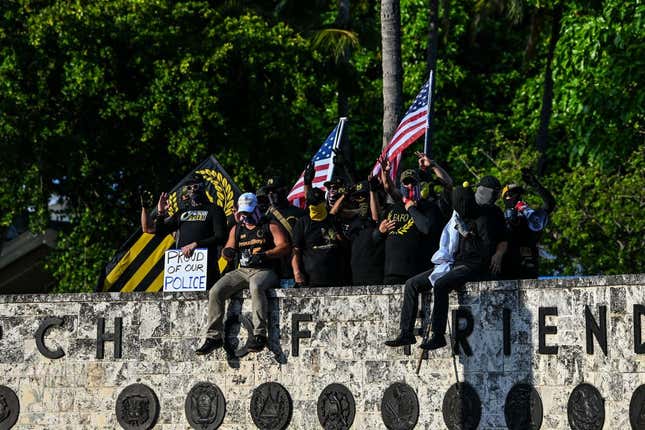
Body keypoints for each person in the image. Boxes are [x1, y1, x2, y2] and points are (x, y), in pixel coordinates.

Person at [419, 177, 508, 350]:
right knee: (426, 283)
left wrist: (498, 254)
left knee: (441, 284)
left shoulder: (494, 213)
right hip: (460, 262)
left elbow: (503, 239)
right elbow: (455, 191)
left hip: (477, 264)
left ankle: (438, 335)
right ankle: (434, 334)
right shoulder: (466, 211)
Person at [196, 193, 290, 355]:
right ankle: (214, 337)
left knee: (256, 286)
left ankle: (260, 334)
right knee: (216, 290)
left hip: (265, 270)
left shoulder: (270, 225)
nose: (245, 217)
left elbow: (284, 246)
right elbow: (227, 251)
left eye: (248, 213)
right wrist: (229, 252)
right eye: (242, 214)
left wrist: (266, 254)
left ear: (256, 210)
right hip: (243, 270)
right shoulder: (237, 228)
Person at [377, 160, 447, 285]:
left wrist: (411, 208)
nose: (409, 186)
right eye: (406, 182)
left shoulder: (429, 207)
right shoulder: (393, 207)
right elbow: (388, 186)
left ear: (419, 185)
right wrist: (380, 232)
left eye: (413, 182)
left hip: (416, 273)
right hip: (391, 273)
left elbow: (426, 228)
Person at [154, 174, 228, 287]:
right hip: (182, 271)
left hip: (207, 269)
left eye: (196, 186)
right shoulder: (182, 212)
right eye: (189, 188)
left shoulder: (215, 210)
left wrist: (196, 244)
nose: (193, 190)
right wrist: (160, 213)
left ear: (203, 187)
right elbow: (160, 232)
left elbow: (221, 237)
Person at [501, 168, 556, 279]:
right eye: (511, 194)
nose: (516, 197)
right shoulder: (500, 217)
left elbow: (550, 204)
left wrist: (535, 185)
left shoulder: (531, 216)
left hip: (529, 268)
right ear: (504, 198)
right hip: (508, 270)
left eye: (518, 194)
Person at [292, 188, 344, 287]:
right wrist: (297, 272)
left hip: (337, 277)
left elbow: (344, 245)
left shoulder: (333, 220)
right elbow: (296, 251)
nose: (316, 206)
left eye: (318, 202)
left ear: (324, 202)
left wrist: (339, 235)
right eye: (313, 204)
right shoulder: (302, 223)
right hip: (312, 279)